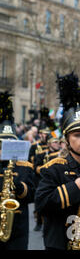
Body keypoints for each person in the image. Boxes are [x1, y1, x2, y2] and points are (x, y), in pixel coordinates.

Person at [35, 72, 80, 250]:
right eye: (77, 135)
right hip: (60, 243)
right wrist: (75, 187)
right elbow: (41, 203)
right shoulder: (53, 168)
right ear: (67, 139)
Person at [0, 91, 35, 250]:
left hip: (19, 229)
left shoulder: (25, 165)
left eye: (9, 142)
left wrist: (19, 187)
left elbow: (33, 194)